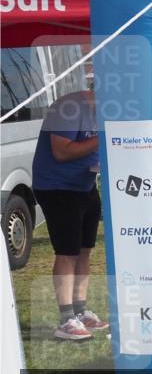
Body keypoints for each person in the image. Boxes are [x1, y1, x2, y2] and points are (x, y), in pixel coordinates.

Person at [31, 90, 107, 341]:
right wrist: (104, 136)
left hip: (84, 184)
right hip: (56, 187)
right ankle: (66, 319)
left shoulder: (104, 110)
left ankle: (81, 310)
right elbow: (61, 152)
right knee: (67, 253)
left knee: (85, 250)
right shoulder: (69, 106)